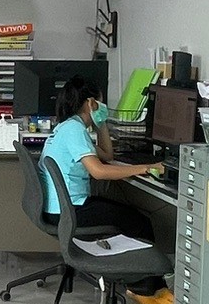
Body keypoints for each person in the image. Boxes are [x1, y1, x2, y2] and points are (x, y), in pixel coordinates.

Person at [39, 76, 162, 220]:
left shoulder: (66, 126)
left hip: (60, 207)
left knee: (126, 213)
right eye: (101, 103)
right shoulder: (74, 129)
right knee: (140, 221)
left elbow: (107, 155)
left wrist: (101, 123)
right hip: (69, 210)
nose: (103, 107)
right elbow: (98, 171)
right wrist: (146, 168)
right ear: (91, 103)